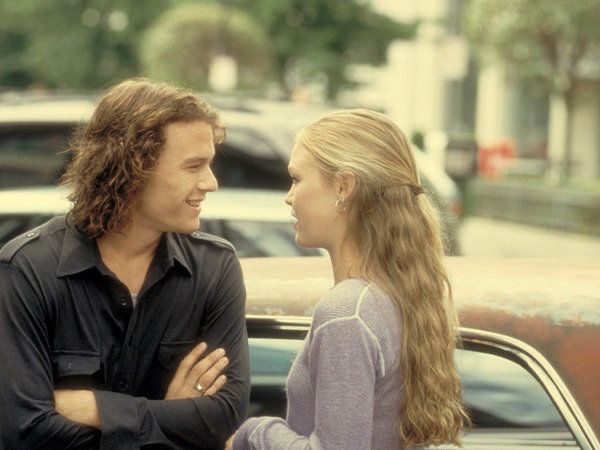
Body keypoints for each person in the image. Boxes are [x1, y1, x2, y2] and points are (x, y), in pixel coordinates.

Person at [0, 79, 250, 449]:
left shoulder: (215, 268)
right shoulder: (27, 270)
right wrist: (168, 417)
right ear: (132, 169)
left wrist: (96, 408)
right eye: (194, 165)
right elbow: (26, 431)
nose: (210, 183)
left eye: (209, 165)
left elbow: (223, 416)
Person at [228, 109, 469, 449]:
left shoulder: (347, 312)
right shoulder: (392, 296)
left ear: (343, 187)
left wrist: (253, 432)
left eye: (296, 179)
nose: (288, 196)